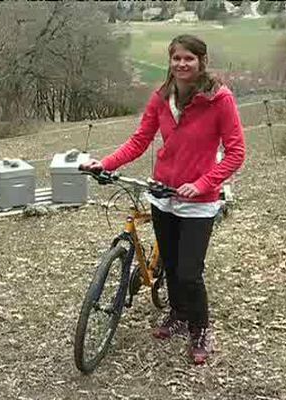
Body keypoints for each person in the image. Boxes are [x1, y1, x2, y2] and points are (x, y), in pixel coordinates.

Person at [81, 34, 245, 365]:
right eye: (177, 58)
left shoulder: (219, 100)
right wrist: (106, 163)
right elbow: (140, 140)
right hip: (163, 195)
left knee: (189, 272)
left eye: (189, 58)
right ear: (169, 62)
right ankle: (178, 314)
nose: (182, 64)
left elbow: (236, 152)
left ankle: (199, 329)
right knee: (170, 265)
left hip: (199, 201)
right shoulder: (161, 98)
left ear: (201, 61)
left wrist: (202, 183)